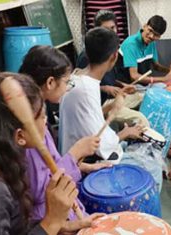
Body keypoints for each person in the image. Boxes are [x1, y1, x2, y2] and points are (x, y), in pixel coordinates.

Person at [0, 72, 89, 234]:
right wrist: (50, 224)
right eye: (41, 115)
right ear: (20, 136)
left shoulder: (1, 161)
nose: (45, 121)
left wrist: (57, 227)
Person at [59, 27, 163, 190]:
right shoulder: (88, 89)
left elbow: (87, 118)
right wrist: (126, 132)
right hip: (84, 163)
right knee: (153, 165)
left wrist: (110, 109)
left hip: (71, 153)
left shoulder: (77, 77)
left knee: (132, 146)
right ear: (114, 57)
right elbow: (102, 143)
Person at [19, 45, 108, 224]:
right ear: (50, 82)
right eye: (67, 82)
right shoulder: (27, 126)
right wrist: (75, 153)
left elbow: (50, 164)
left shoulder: (37, 110)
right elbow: (40, 190)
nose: (68, 88)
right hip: (46, 218)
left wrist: (83, 167)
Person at [76, 9, 149, 126]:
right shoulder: (88, 55)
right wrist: (105, 88)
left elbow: (109, 78)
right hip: (101, 104)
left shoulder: (111, 51)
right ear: (97, 32)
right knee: (141, 120)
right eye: (106, 30)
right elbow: (79, 83)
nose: (111, 33)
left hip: (113, 98)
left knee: (146, 97)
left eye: (113, 28)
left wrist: (122, 86)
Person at [119, 15, 171, 84]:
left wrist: (170, 69)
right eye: (150, 30)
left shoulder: (151, 43)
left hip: (141, 85)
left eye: (156, 35)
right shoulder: (131, 44)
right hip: (125, 86)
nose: (151, 36)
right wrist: (163, 79)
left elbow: (156, 66)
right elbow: (134, 76)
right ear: (144, 26)